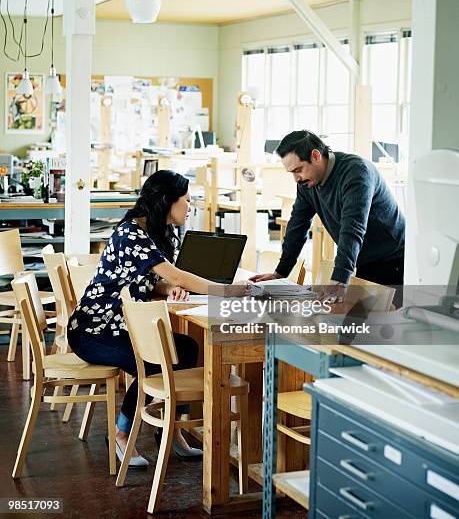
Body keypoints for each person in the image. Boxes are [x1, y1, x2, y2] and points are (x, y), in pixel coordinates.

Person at [68, 170, 249, 466]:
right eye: (187, 201)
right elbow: (177, 274)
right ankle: (121, 433)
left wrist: (168, 288)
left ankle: (172, 430)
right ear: (167, 202)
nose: (190, 207)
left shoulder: (156, 232)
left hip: (123, 326)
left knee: (187, 349)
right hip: (94, 331)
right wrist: (227, 291)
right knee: (153, 361)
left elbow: (150, 281)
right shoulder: (131, 233)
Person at [251, 131, 405, 306]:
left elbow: (352, 228)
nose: (296, 178)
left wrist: (339, 281)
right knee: (363, 324)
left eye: (298, 170)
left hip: (394, 258)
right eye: (291, 173)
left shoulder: (356, 172)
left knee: (388, 325)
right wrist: (280, 273)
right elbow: (297, 226)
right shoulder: (307, 183)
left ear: (316, 155)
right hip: (365, 258)